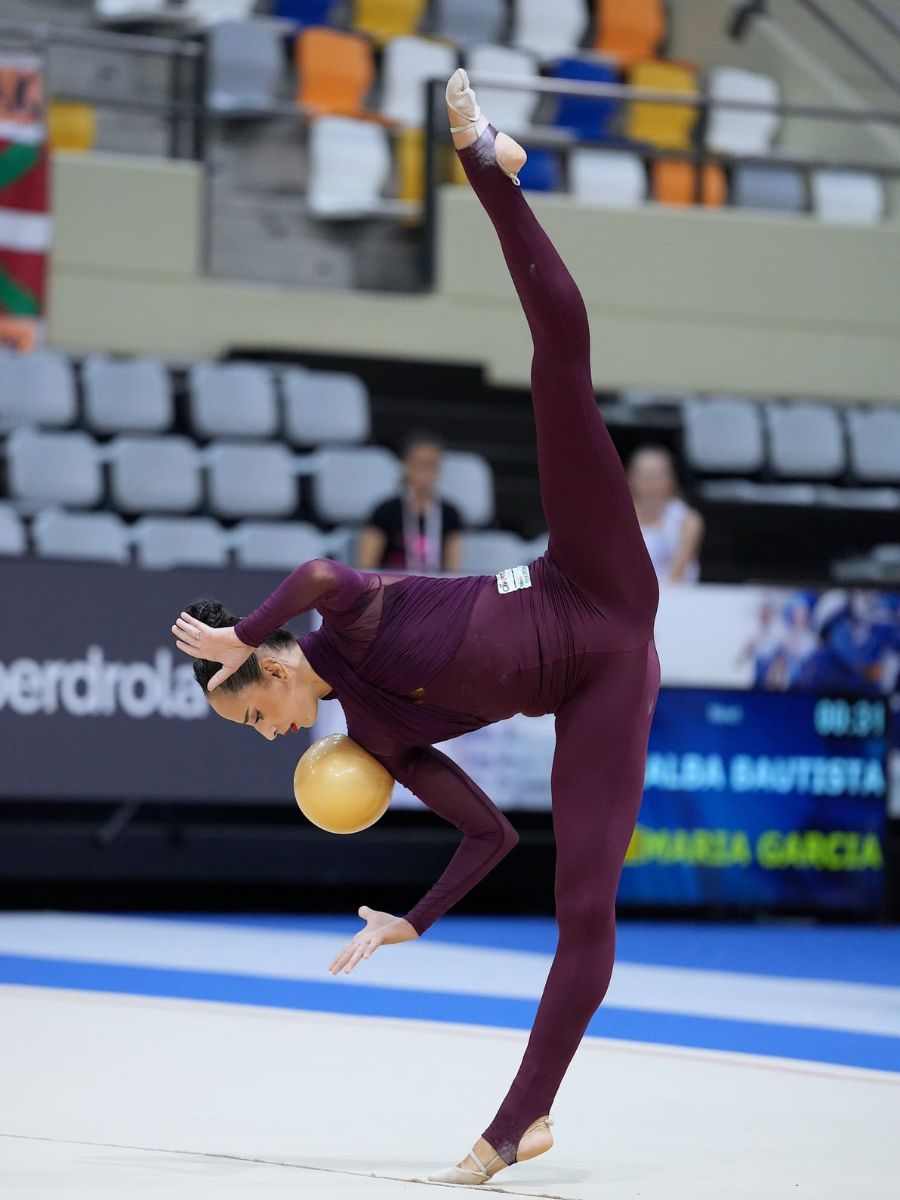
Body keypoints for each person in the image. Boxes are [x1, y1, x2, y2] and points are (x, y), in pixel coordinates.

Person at [171, 70, 659, 1188]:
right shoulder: (378, 742)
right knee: (584, 908)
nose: (265, 731)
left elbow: (321, 566)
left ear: (271, 668)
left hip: (591, 579)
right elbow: (486, 835)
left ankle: (489, 170)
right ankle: (516, 1126)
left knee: (559, 372)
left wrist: (246, 627)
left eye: (253, 709)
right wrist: (416, 920)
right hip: (604, 686)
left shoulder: (346, 621)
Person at [356, 431, 463, 573]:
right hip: (393, 590)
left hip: (436, 591)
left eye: (432, 465)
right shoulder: (385, 512)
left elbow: (454, 571)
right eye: (420, 464)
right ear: (405, 465)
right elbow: (366, 568)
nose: (426, 472)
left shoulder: (450, 514)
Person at [627, 445, 704, 583]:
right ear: (630, 479)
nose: (651, 483)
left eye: (657, 476)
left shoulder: (688, 520)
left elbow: (677, 575)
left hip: (675, 596)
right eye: (644, 476)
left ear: (671, 479)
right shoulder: (620, 521)